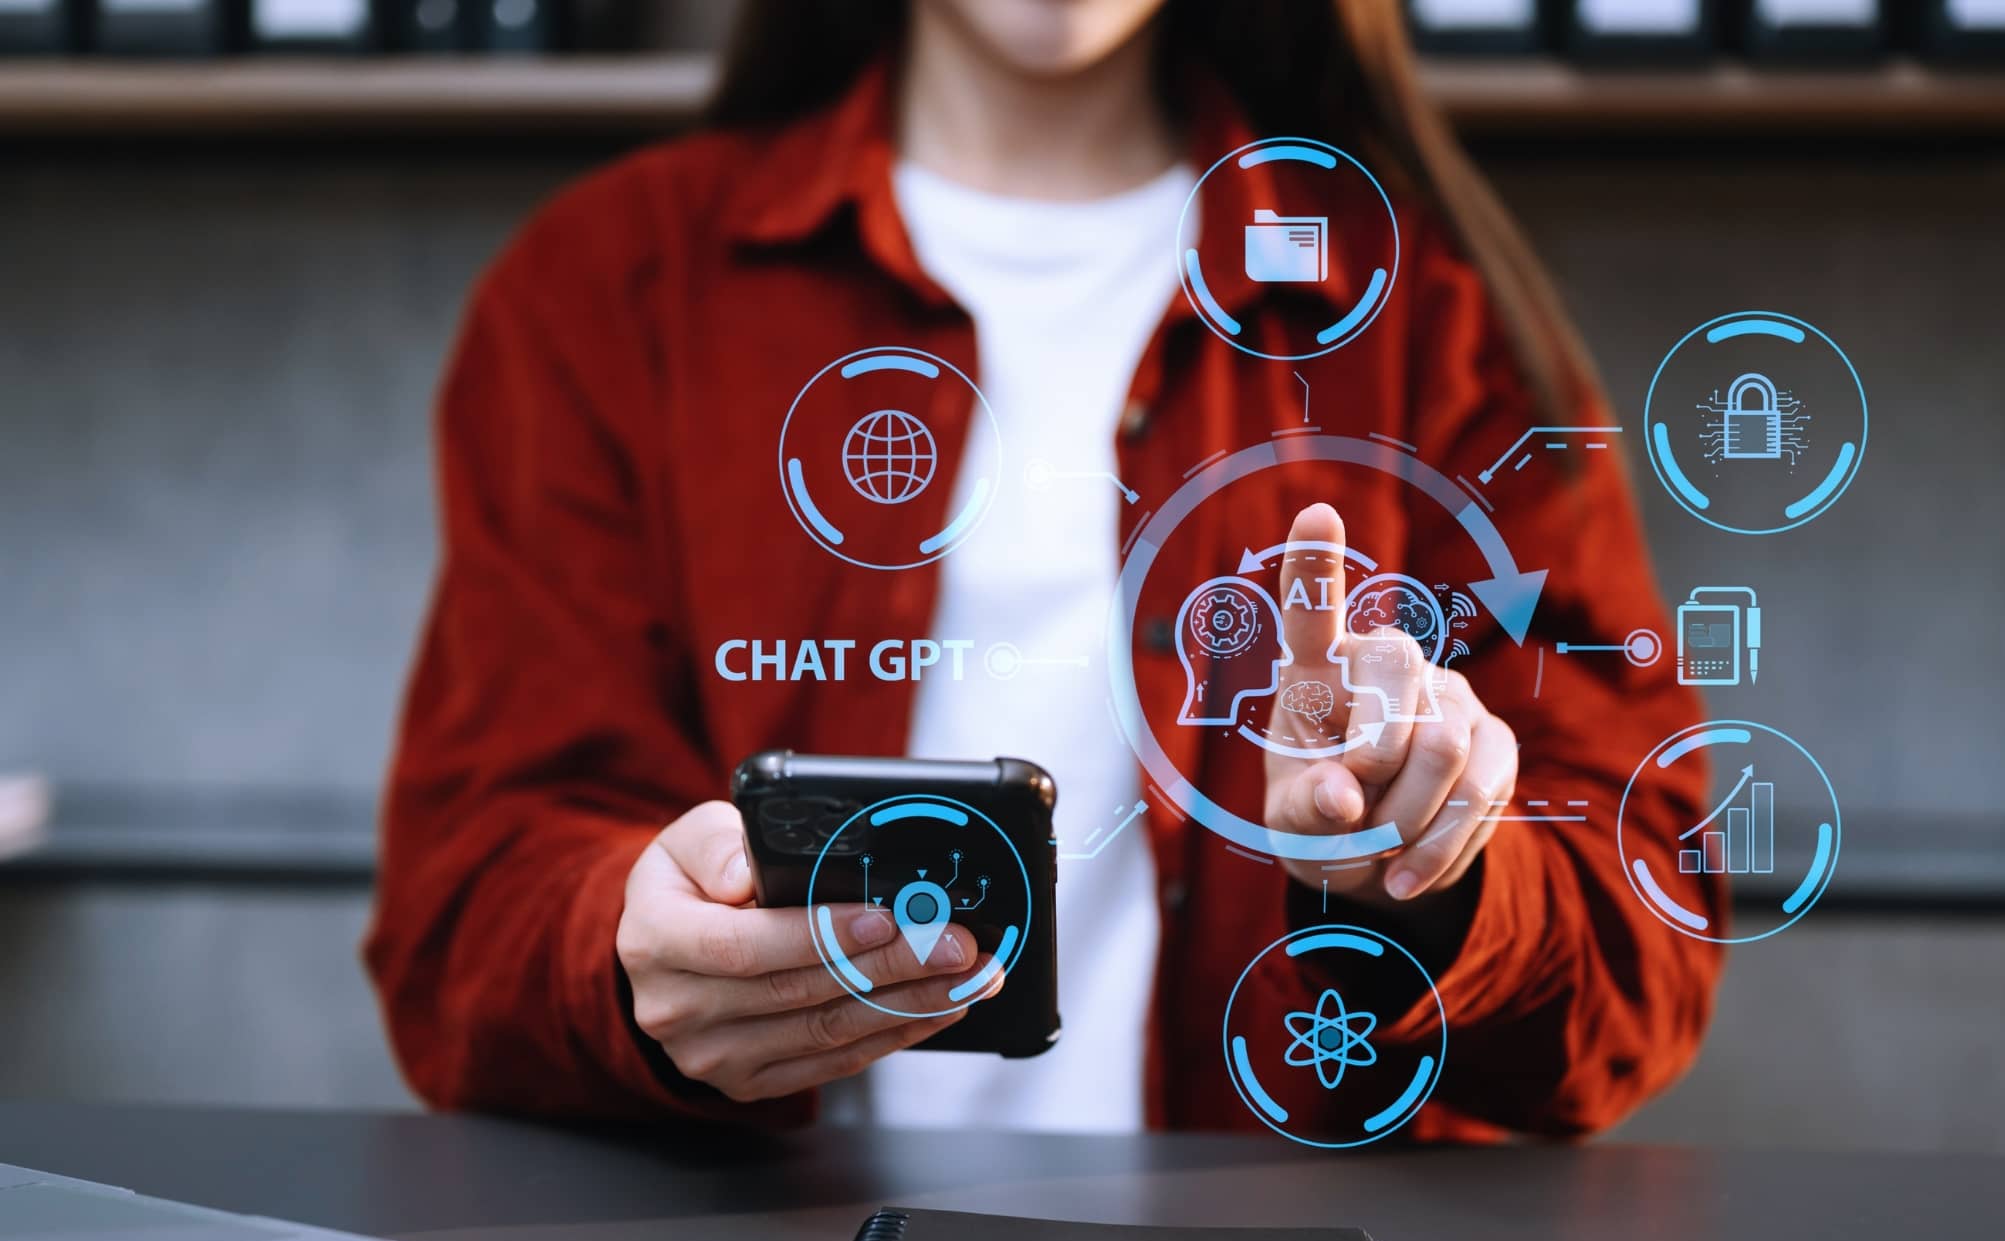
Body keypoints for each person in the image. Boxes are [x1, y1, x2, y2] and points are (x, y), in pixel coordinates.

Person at [365, 0, 1722, 1140]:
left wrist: (1436, 869)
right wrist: (630, 950)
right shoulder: (607, 291)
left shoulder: (1428, 320)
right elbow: (459, 911)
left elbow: (1647, 935)